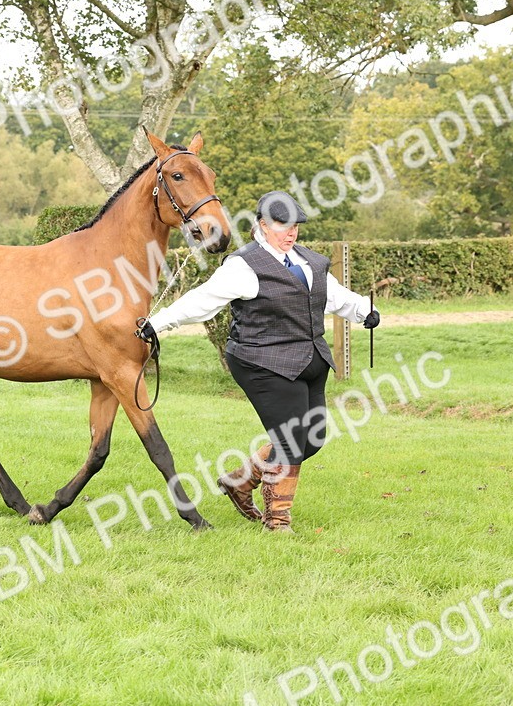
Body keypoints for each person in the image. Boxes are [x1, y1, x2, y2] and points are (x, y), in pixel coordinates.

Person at [138, 191, 379, 532]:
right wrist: (157, 322)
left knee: (314, 437)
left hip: (309, 359)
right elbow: (201, 301)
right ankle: (277, 520)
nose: (290, 233)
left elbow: (335, 296)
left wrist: (364, 311)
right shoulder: (243, 266)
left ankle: (241, 480)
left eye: (295, 226)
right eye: (282, 226)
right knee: (291, 439)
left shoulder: (310, 262)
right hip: (261, 361)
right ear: (262, 226)